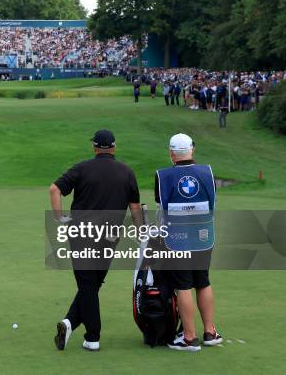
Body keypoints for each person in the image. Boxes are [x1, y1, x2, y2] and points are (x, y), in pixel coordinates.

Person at [50, 130, 141, 352]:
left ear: (94, 148)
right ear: (114, 147)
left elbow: (54, 189)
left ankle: (92, 337)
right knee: (92, 284)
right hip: (109, 236)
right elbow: (135, 207)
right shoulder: (126, 172)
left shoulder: (82, 168)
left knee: (88, 285)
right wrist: (142, 233)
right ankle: (70, 323)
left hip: (81, 234)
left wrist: (59, 217)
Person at [155, 134, 223, 352]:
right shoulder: (208, 172)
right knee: (203, 281)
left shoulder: (163, 176)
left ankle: (189, 337)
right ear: (192, 150)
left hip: (177, 239)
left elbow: (161, 205)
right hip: (204, 236)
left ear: (171, 154)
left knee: (183, 285)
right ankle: (210, 332)